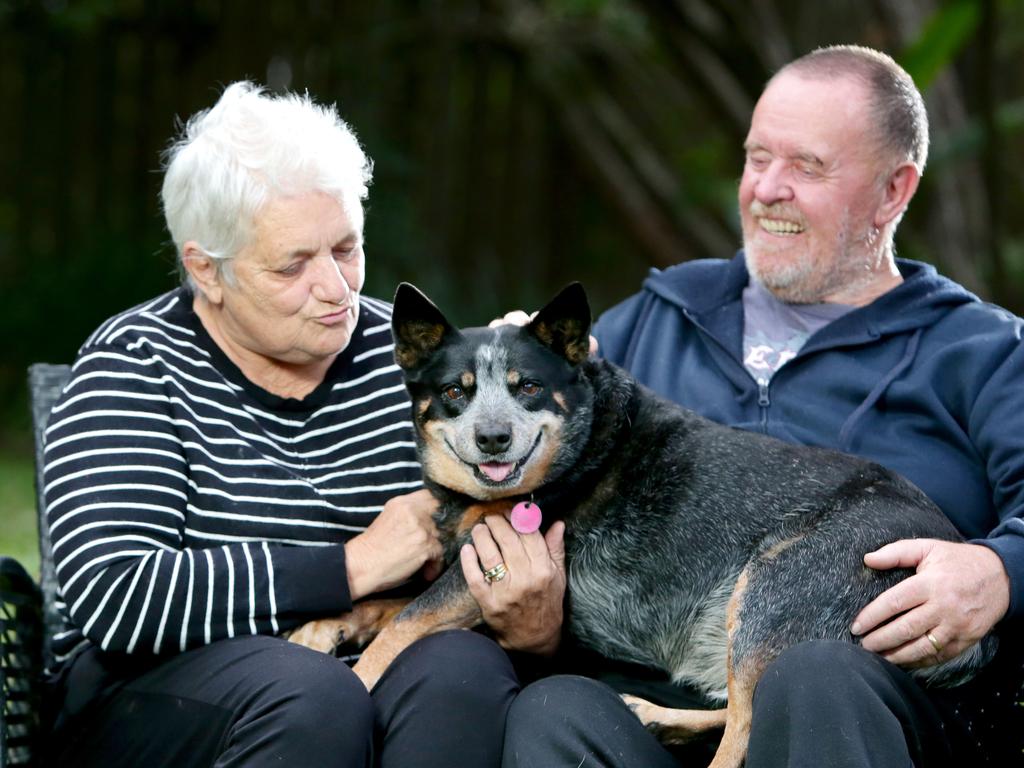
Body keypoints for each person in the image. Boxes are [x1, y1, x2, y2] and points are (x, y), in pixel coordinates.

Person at [497, 45, 1024, 766]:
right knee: (554, 711)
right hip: (658, 698)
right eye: (757, 158)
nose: (767, 189)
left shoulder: (983, 353)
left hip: (872, 706)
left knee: (811, 676)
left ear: (893, 192)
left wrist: (1000, 572)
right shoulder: (657, 320)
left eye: (807, 167)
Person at [41, 82, 545, 768]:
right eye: (293, 265)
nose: (337, 289)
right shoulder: (137, 364)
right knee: (311, 694)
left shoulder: (408, 357)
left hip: (362, 653)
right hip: (149, 694)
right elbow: (119, 596)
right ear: (205, 271)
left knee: (460, 667)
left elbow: (505, 513)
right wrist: (352, 565)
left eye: (345, 248)